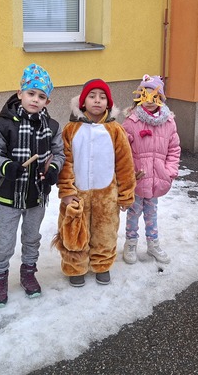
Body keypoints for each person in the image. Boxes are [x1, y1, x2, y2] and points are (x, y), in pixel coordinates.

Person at [0, 63, 65, 307]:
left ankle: (28, 272)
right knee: (5, 240)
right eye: (31, 93)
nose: (35, 99)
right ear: (20, 93)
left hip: (37, 195)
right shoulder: (1, 124)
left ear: (47, 101)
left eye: (41, 96)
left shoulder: (52, 127)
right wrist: (7, 167)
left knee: (32, 237)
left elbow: (59, 154)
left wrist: (53, 169)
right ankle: (0, 277)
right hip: (9, 194)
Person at [53, 79, 136, 286]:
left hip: (106, 195)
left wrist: (126, 194)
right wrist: (67, 191)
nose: (97, 101)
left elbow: (125, 164)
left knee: (105, 232)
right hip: (77, 194)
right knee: (74, 230)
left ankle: (102, 264)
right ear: (83, 101)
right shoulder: (71, 129)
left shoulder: (115, 130)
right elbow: (65, 162)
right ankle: (75, 266)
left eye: (102, 97)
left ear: (108, 103)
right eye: (92, 96)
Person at [121, 75, 181, 264]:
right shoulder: (131, 122)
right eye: (145, 95)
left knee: (151, 213)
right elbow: (123, 150)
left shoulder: (168, 122)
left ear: (161, 98)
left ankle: (153, 244)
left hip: (157, 178)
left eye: (154, 96)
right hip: (137, 179)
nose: (149, 100)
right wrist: (128, 174)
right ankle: (130, 243)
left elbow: (174, 149)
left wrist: (169, 172)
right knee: (133, 212)